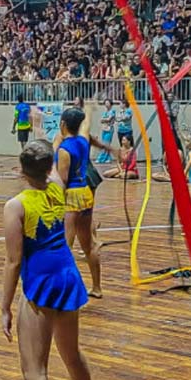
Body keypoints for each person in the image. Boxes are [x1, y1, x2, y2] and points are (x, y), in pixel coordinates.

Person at [1, 140, 93, 380]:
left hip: (41, 283)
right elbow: (50, 165)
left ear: (21, 170)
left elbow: (13, 262)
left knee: (34, 370)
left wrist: (5, 307)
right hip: (67, 275)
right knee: (71, 353)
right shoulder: (58, 187)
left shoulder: (16, 205)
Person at [54, 107, 112, 299]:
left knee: (66, 245)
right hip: (85, 192)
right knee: (88, 244)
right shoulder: (83, 141)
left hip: (71, 196)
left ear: (62, 124)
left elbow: (62, 180)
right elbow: (87, 129)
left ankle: (66, 291)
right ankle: (97, 287)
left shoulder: (64, 150)